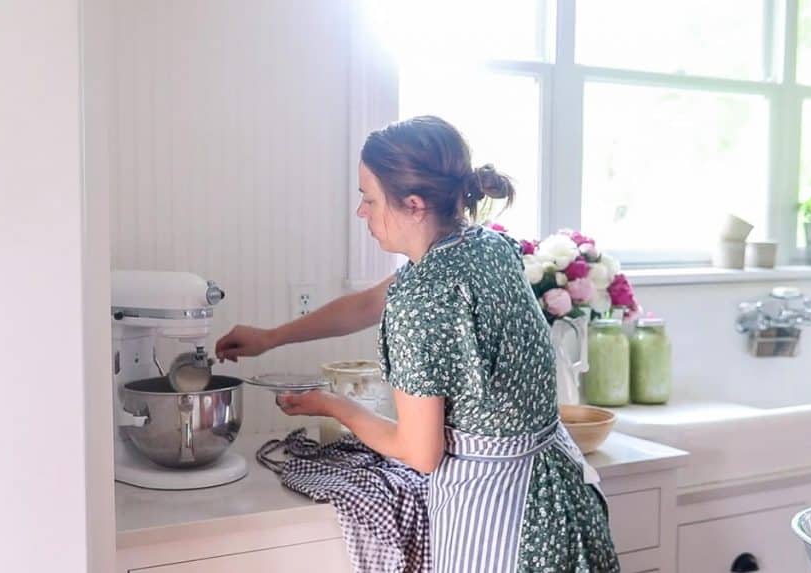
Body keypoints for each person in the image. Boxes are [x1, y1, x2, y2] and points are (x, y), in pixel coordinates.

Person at [216, 116, 620, 572]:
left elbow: (418, 452)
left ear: (412, 204)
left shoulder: (423, 296)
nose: (361, 212)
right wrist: (271, 338)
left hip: (500, 519)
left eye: (368, 199)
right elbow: (369, 303)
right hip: (561, 498)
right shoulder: (484, 246)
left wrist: (332, 405)